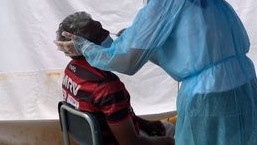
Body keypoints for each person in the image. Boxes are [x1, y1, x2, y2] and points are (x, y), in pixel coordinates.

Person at [55, 0, 257, 145]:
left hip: (208, 92)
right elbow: (190, 49)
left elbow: (126, 61)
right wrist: (137, 39)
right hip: (245, 83)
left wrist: (87, 48)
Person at [56, 11, 174, 145]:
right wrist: (169, 142)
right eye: (100, 33)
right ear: (83, 46)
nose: (107, 32)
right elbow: (131, 143)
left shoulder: (71, 69)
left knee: (167, 128)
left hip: (98, 139)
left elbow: (109, 115)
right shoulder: (106, 86)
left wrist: (143, 123)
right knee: (174, 134)